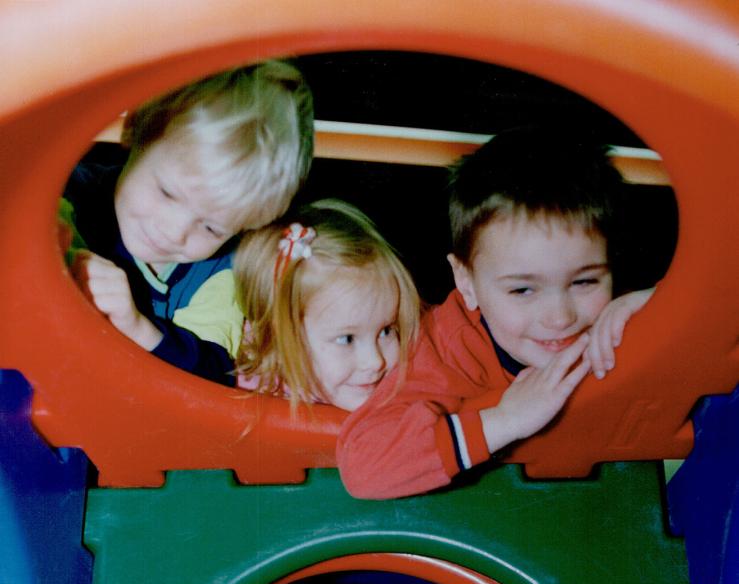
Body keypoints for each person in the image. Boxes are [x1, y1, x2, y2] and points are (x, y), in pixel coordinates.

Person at [336, 127, 656, 498]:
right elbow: (363, 467)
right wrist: (505, 420)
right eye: (522, 289)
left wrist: (649, 302)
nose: (559, 317)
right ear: (466, 282)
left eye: (583, 282)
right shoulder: (442, 354)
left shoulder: (613, 313)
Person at [59, 61, 313, 385]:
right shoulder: (69, 195)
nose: (175, 232)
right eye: (167, 193)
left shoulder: (221, 275)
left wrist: (138, 329)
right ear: (135, 132)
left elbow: (215, 376)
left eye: (211, 228)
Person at [233, 198, 419, 411]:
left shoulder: (406, 380)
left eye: (386, 330)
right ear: (278, 338)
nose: (375, 361)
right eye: (347, 339)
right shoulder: (242, 400)